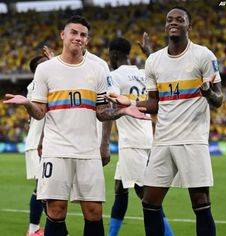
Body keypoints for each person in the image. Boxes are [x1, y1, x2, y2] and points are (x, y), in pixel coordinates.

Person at [3, 15, 150, 236]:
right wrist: (27, 104)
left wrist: (122, 111)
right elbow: (40, 112)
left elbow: (101, 113)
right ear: (63, 35)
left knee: (93, 211)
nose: (78, 38)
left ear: (87, 40)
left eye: (83, 34)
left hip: (88, 152)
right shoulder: (46, 70)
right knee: (56, 209)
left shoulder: (98, 70)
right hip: (56, 151)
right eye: (74, 32)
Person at [106, 7, 223, 236]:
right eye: (170, 19)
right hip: (162, 140)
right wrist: (128, 102)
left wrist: (208, 92)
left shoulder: (203, 55)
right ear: (165, 25)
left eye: (180, 19)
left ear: (188, 26)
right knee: (149, 202)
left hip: (192, 139)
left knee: (200, 202)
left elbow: (218, 100)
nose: (174, 22)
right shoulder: (154, 61)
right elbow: (154, 103)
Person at [107, 37, 174, 236]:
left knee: (145, 195)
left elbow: (112, 105)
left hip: (131, 141)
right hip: (145, 136)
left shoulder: (114, 76)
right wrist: (150, 53)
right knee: (120, 188)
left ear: (114, 54)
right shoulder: (144, 73)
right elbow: (163, 74)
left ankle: (169, 235)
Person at [25, 55, 49, 236]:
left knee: (44, 188)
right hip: (39, 143)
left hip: (45, 141)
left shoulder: (39, 84)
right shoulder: (36, 85)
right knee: (46, 189)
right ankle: (35, 230)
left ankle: (35, 229)